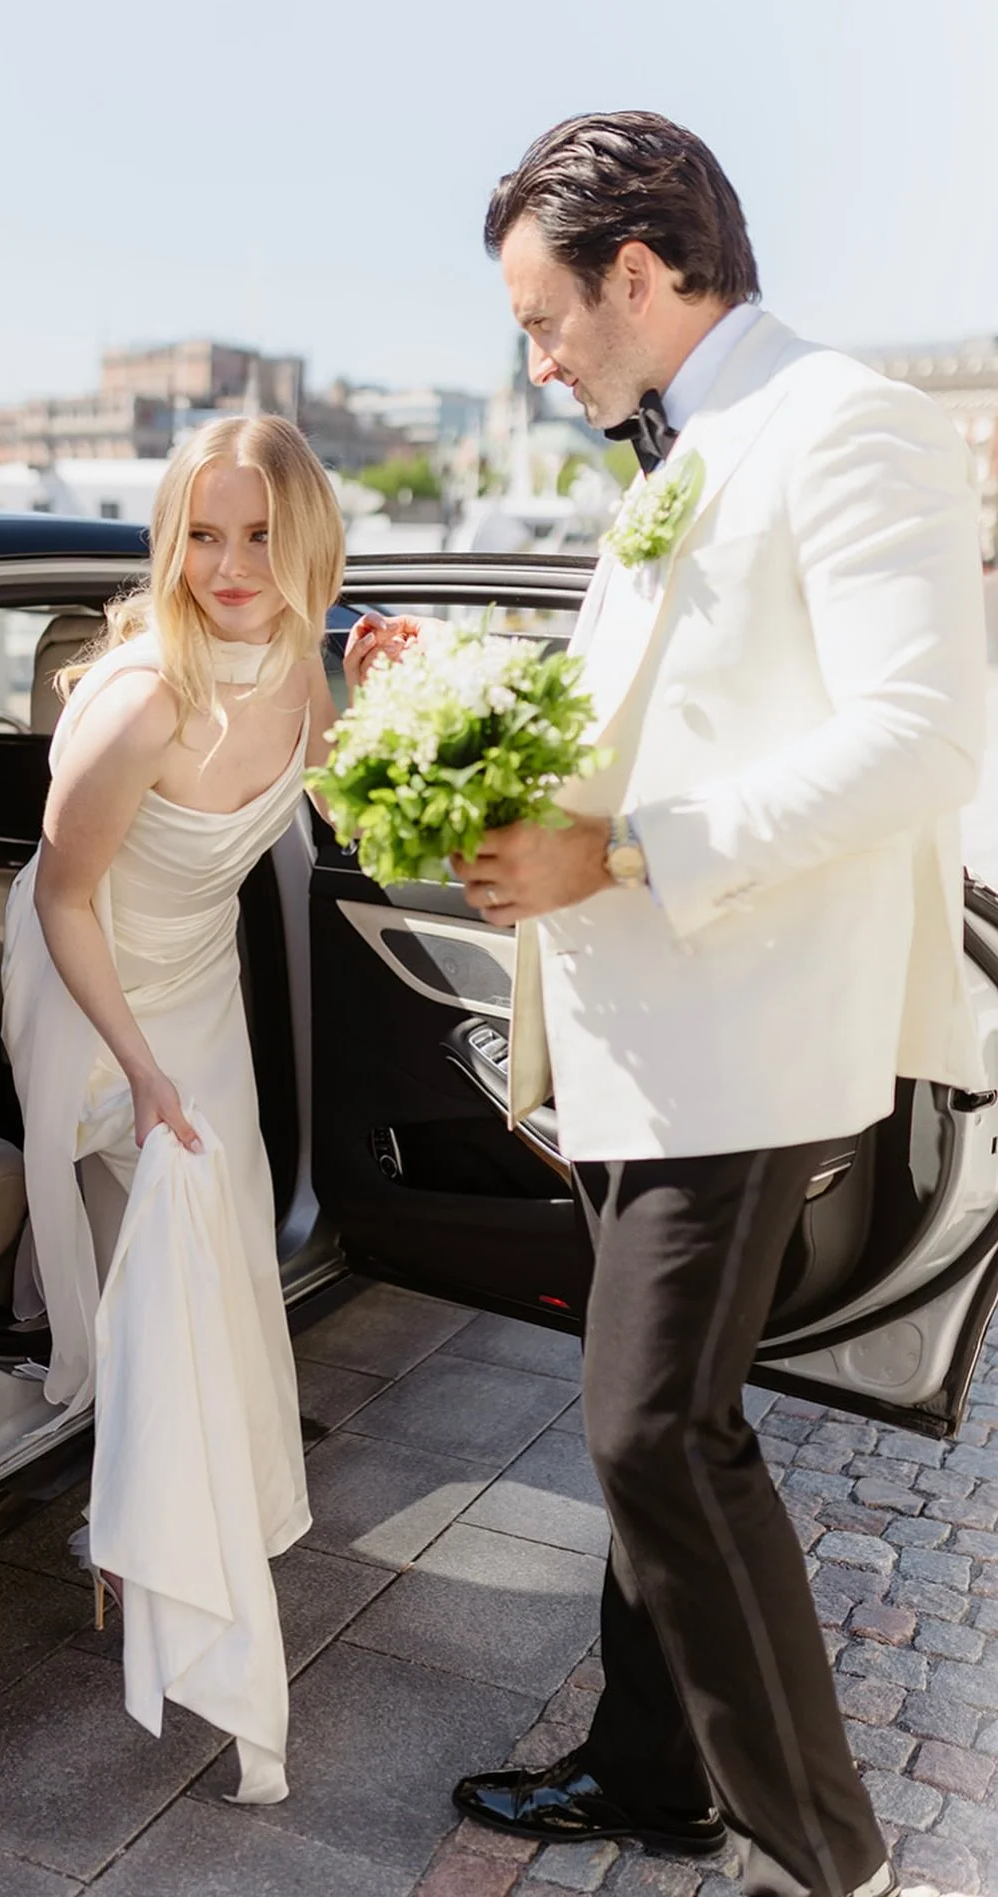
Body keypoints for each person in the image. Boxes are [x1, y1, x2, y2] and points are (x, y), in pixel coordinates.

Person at [434, 112, 986, 1895]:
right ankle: (655, 1776)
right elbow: (669, 699)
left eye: (546, 321)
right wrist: (468, 724)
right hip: (645, 1037)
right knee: (662, 1415)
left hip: (744, 1041)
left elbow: (915, 740)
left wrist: (624, 855)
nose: (536, 362)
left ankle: (834, 1862)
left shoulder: (846, 425)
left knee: (656, 1430)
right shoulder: (694, 441)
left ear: (644, 276)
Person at [0, 413, 389, 1803]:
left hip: (200, 993)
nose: (229, 566)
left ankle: (166, 1509)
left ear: (304, 538)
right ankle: (137, 1533)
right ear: (173, 538)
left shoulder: (299, 667)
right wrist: (140, 1068)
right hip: (92, 989)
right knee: (136, 1256)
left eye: (258, 534)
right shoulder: (136, 702)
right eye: (204, 534)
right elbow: (57, 899)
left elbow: (346, 808)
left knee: (212, 1256)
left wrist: (394, 709)